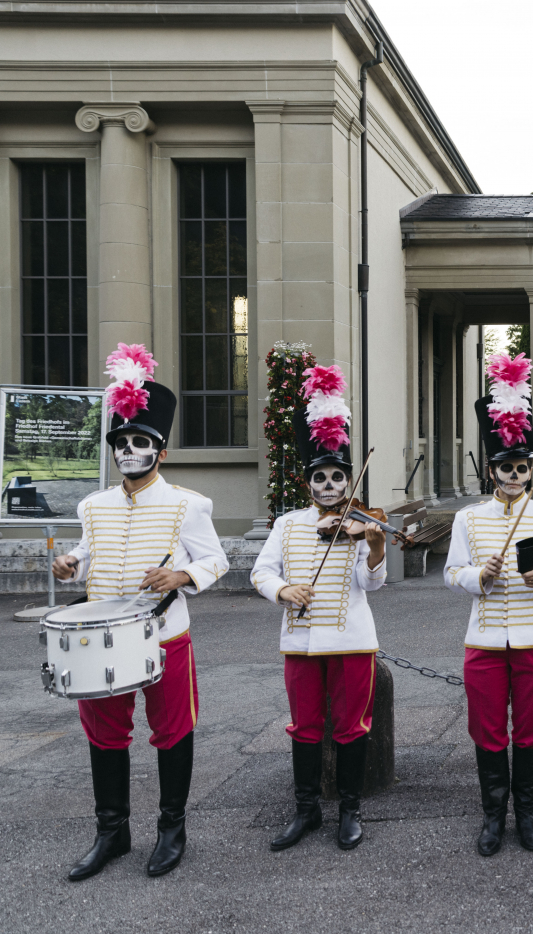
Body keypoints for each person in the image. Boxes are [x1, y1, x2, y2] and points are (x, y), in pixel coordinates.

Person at [53, 344, 229, 880]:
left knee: (172, 730)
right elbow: (89, 554)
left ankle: (171, 829)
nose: (129, 450)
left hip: (164, 635)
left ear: (160, 451)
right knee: (105, 734)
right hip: (100, 635)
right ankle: (113, 831)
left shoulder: (188, 504)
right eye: (122, 442)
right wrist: (70, 564)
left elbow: (217, 560)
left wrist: (183, 575)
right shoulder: (93, 505)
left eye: (140, 442)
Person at [444, 352, 533, 856]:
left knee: (530, 730)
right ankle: (492, 815)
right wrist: (478, 575)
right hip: (483, 639)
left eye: (523, 467)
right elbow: (451, 572)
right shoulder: (469, 519)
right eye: (506, 466)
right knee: (487, 732)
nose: (516, 475)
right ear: (493, 470)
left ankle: (527, 812)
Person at [250, 363, 386, 852]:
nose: (330, 486)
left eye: (337, 477)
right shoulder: (289, 525)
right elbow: (260, 572)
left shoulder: (362, 523)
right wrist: (283, 591)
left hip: (352, 641)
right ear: (309, 484)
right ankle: (306, 809)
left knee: (352, 726)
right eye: (321, 478)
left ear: (348, 480)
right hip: (300, 640)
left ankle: (349, 809)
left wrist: (374, 546)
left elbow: (371, 583)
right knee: (304, 726)